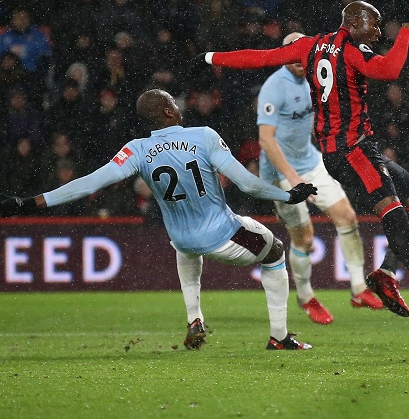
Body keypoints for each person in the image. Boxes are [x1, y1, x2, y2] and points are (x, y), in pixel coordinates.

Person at [188, 0, 409, 317]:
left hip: (339, 151)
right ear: (355, 21)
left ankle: (386, 273)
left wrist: (213, 57)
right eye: (374, 24)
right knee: (390, 207)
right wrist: (405, 30)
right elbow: (390, 69)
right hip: (353, 149)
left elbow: (261, 58)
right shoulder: (352, 52)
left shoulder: (310, 47)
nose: (378, 32)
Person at [0, 89, 318, 351]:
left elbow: (91, 182)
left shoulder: (136, 150)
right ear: (167, 112)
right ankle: (279, 337)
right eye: (172, 103)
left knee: (187, 246)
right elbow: (246, 183)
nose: (178, 107)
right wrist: (289, 196)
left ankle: (195, 317)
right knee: (275, 251)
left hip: (181, 238)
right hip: (222, 233)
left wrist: (31, 202)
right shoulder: (204, 136)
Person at [257, 32, 384, 325]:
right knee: (305, 237)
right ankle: (305, 296)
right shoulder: (274, 88)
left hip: (311, 162)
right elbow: (266, 140)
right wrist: (293, 179)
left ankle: (358, 289)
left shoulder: (317, 76)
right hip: (279, 175)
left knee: (347, 216)